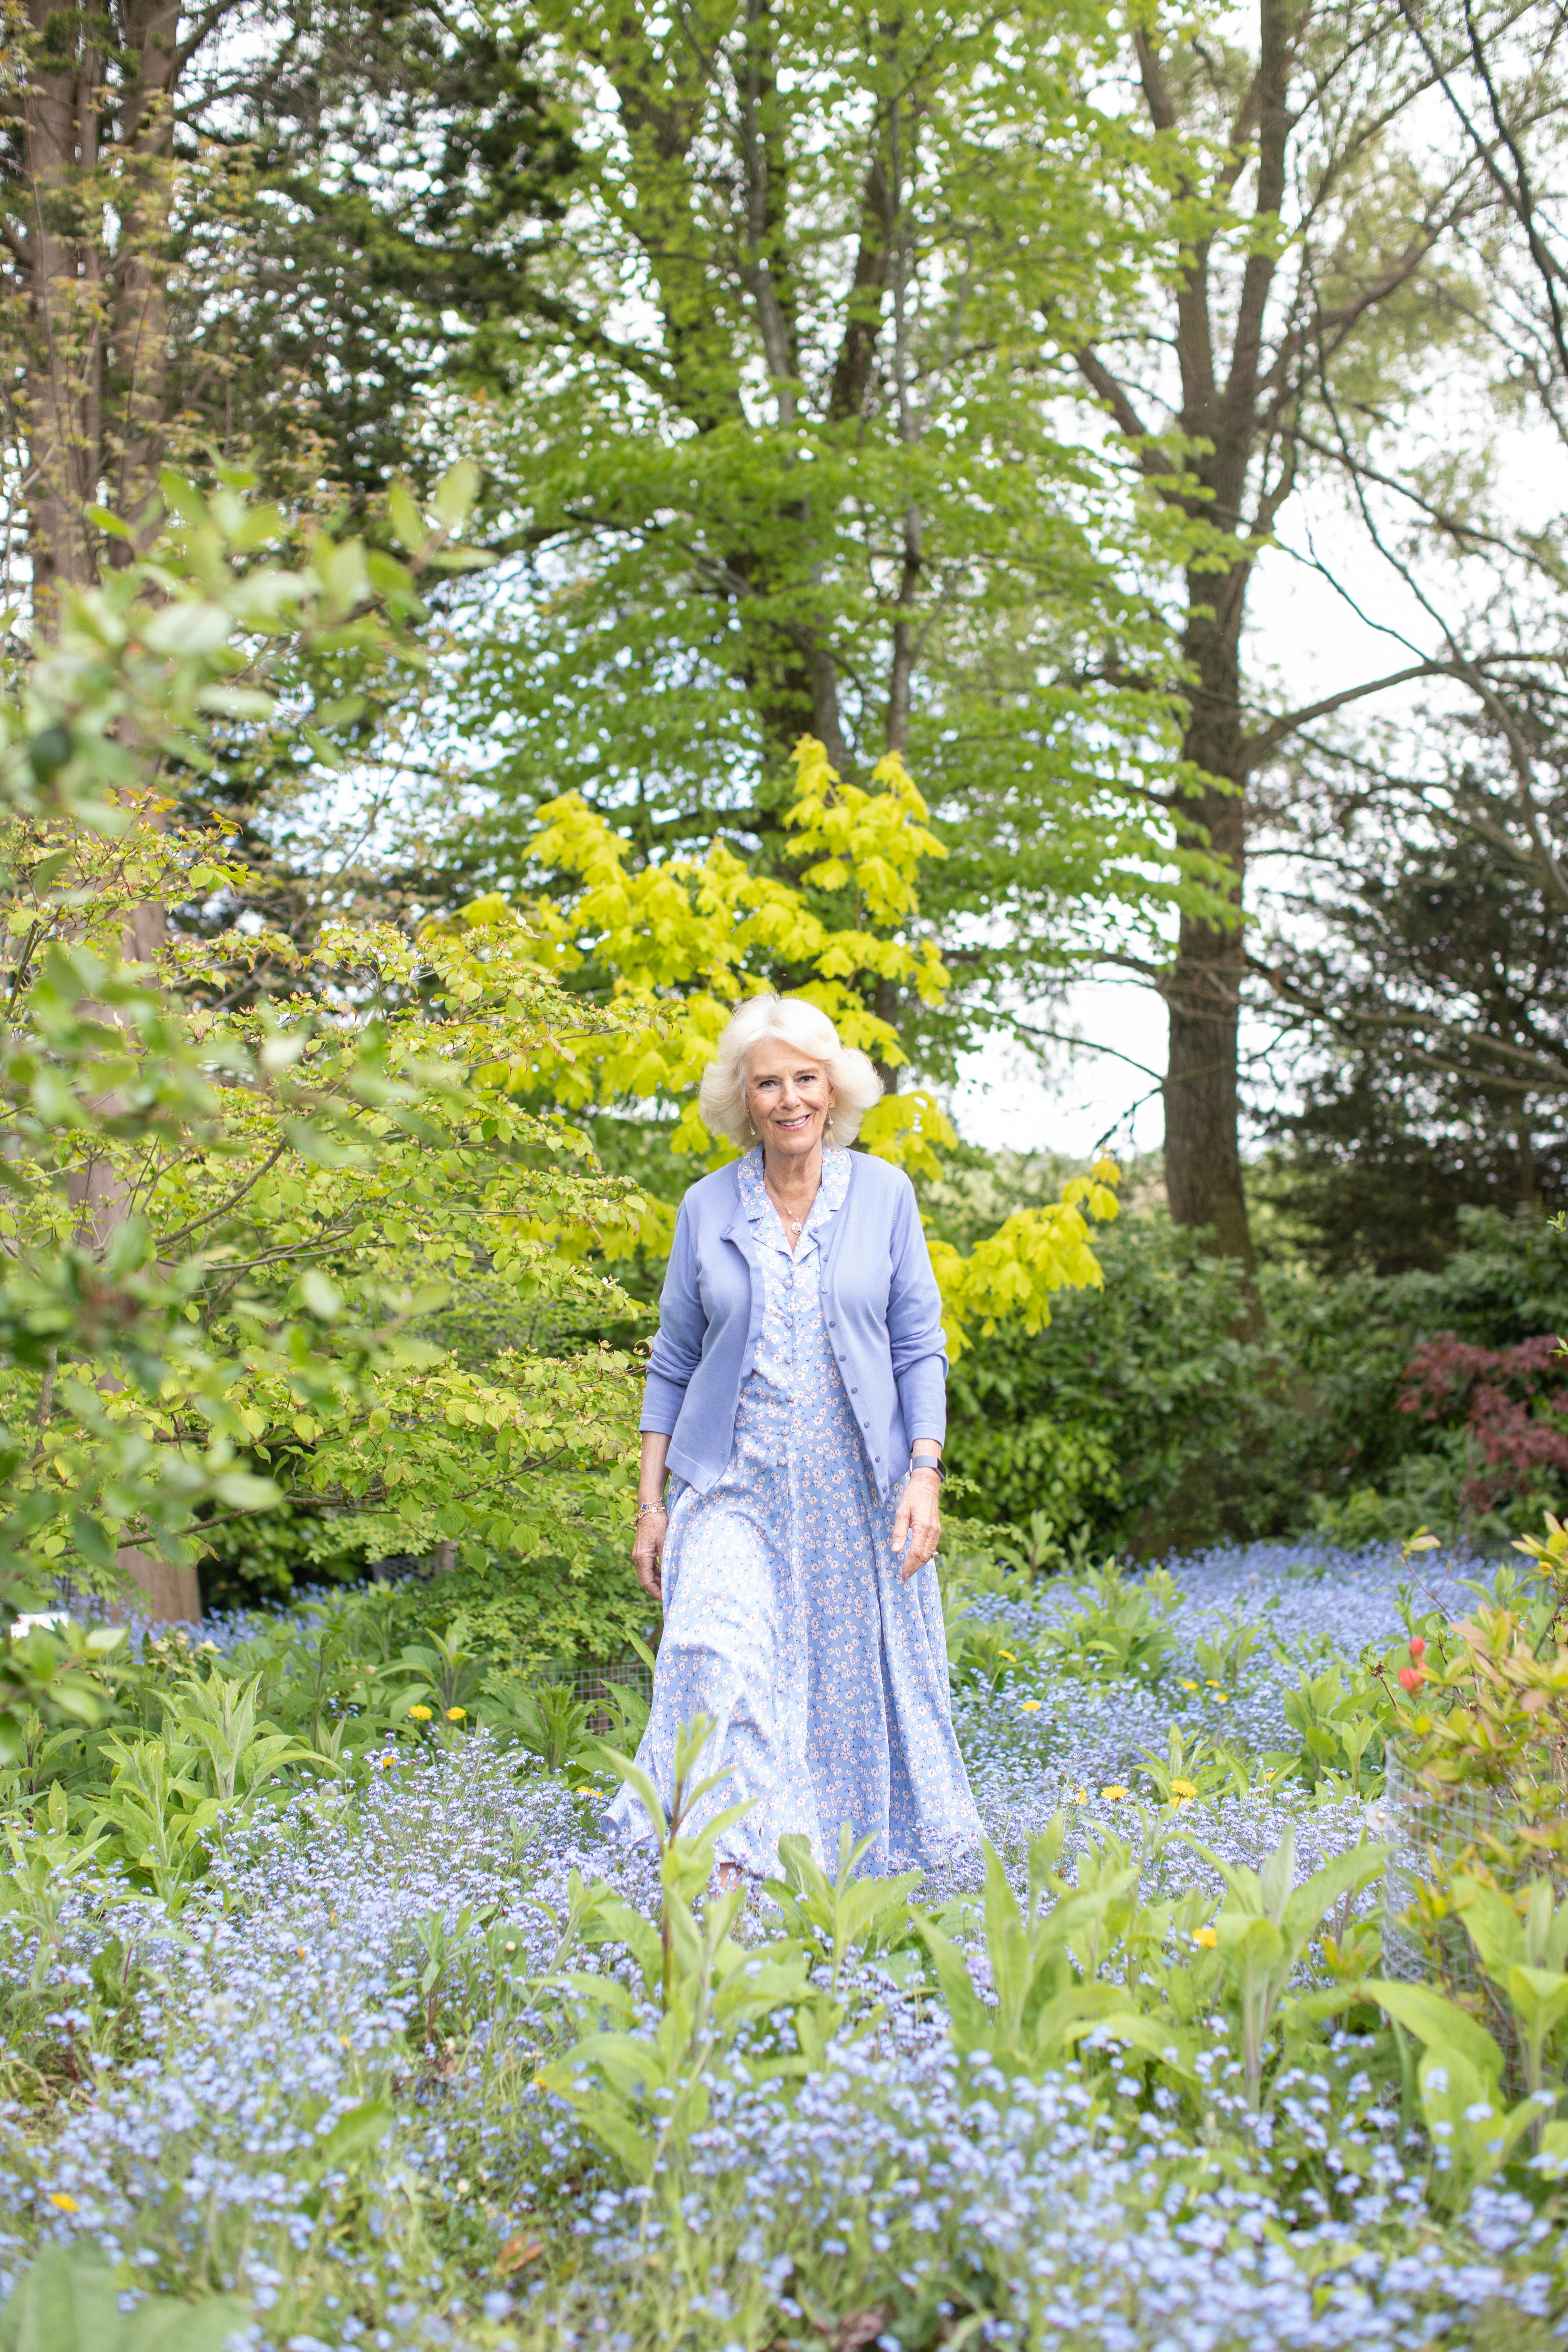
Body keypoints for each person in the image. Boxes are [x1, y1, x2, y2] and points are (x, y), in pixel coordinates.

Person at [604, 992, 981, 1880]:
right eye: (767, 1084)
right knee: (712, 1650)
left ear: (833, 1089)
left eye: (804, 1079)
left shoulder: (885, 1195)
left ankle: (833, 1878)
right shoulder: (704, 1207)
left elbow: (918, 1345)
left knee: (847, 1697)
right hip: (732, 1487)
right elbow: (672, 1361)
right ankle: (723, 1866)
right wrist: (650, 1505)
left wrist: (923, 1472)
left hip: (858, 1493)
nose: (788, 1100)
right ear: (745, 1102)